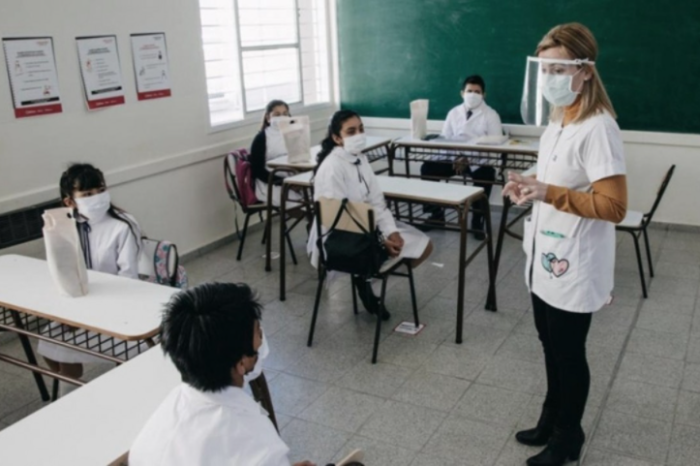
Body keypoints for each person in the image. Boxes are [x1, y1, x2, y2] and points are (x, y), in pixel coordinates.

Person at [503, 23, 627, 466]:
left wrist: (549, 193)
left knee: (569, 353)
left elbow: (614, 206)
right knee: (548, 342)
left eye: (560, 69)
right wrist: (528, 186)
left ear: (586, 71)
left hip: (575, 262)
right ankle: (551, 417)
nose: (550, 78)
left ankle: (567, 439)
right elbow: (556, 183)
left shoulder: (599, 128)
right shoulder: (560, 119)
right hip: (546, 254)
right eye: (545, 69)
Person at [129, 283, 316, 466]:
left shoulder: (154, 429)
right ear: (241, 363)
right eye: (258, 333)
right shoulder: (260, 445)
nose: (261, 340)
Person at [308, 110, 434, 320]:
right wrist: (379, 240)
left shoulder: (360, 159)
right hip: (339, 239)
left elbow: (376, 201)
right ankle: (365, 279)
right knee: (393, 253)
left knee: (424, 247)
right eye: (351, 131)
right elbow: (340, 219)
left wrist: (390, 232)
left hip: (367, 229)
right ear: (337, 138)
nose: (359, 134)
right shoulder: (332, 167)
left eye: (361, 129)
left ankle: (364, 278)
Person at [37, 163, 141, 397]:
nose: (97, 198)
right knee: (46, 342)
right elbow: (62, 271)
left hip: (118, 306)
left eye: (100, 190)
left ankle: (69, 398)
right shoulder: (63, 226)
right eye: (87, 195)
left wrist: (89, 313)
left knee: (64, 351)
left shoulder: (122, 225)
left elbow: (129, 280)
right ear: (69, 201)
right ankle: (75, 392)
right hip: (79, 303)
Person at [420, 75, 503, 239]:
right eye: (469, 91)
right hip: (454, 158)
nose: (473, 94)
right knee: (428, 168)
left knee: (486, 175)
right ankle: (436, 216)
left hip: (478, 161)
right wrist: (457, 156)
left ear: (484, 94)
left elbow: (494, 143)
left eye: (477, 91)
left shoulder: (491, 115)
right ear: (462, 93)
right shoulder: (454, 112)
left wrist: (468, 159)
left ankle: (477, 221)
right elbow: (446, 138)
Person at [250, 99, 302, 207]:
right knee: (297, 202)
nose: (281, 117)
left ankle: (314, 222)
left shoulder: (293, 133)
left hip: (293, 178)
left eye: (284, 114)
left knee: (313, 196)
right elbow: (257, 170)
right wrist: (284, 182)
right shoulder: (261, 138)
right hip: (270, 183)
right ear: (268, 118)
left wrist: (297, 179)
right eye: (277, 114)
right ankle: (310, 222)